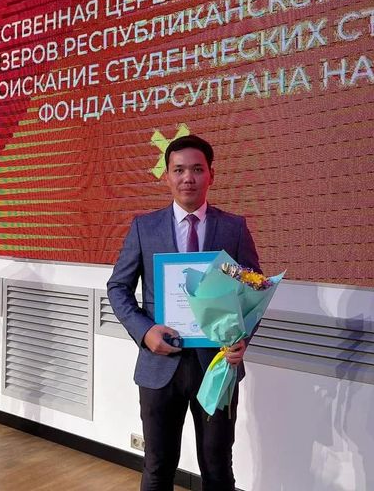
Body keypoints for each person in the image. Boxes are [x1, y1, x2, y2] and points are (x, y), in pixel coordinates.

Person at [107, 134, 260, 491]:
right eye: (178, 170)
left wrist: (242, 337)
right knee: (158, 466)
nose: (187, 178)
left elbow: (253, 290)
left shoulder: (233, 228)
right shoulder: (145, 227)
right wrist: (145, 331)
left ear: (211, 175)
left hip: (217, 366)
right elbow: (118, 288)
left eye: (196, 169)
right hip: (159, 366)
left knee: (217, 467)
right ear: (167, 176)